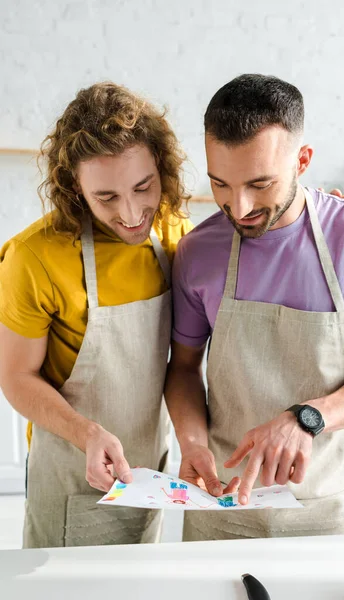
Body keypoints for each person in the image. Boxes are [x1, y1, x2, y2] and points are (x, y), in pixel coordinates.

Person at [165, 74, 344, 541]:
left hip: (323, 507)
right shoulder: (198, 251)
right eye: (220, 185)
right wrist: (191, 443)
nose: (239, 206)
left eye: (260, 183)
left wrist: (307, 417)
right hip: (223, 505)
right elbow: (185, 369)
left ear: (303, 160)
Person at [0, 82, 192, 548]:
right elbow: (16, 377)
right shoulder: (34, 257)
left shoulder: (173, 233)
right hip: (68, 471)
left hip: (149, 471)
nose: (131, 214)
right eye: (106, 197)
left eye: (144, 187)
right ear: (74, 189)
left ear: (161, 169)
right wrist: (85, 433)